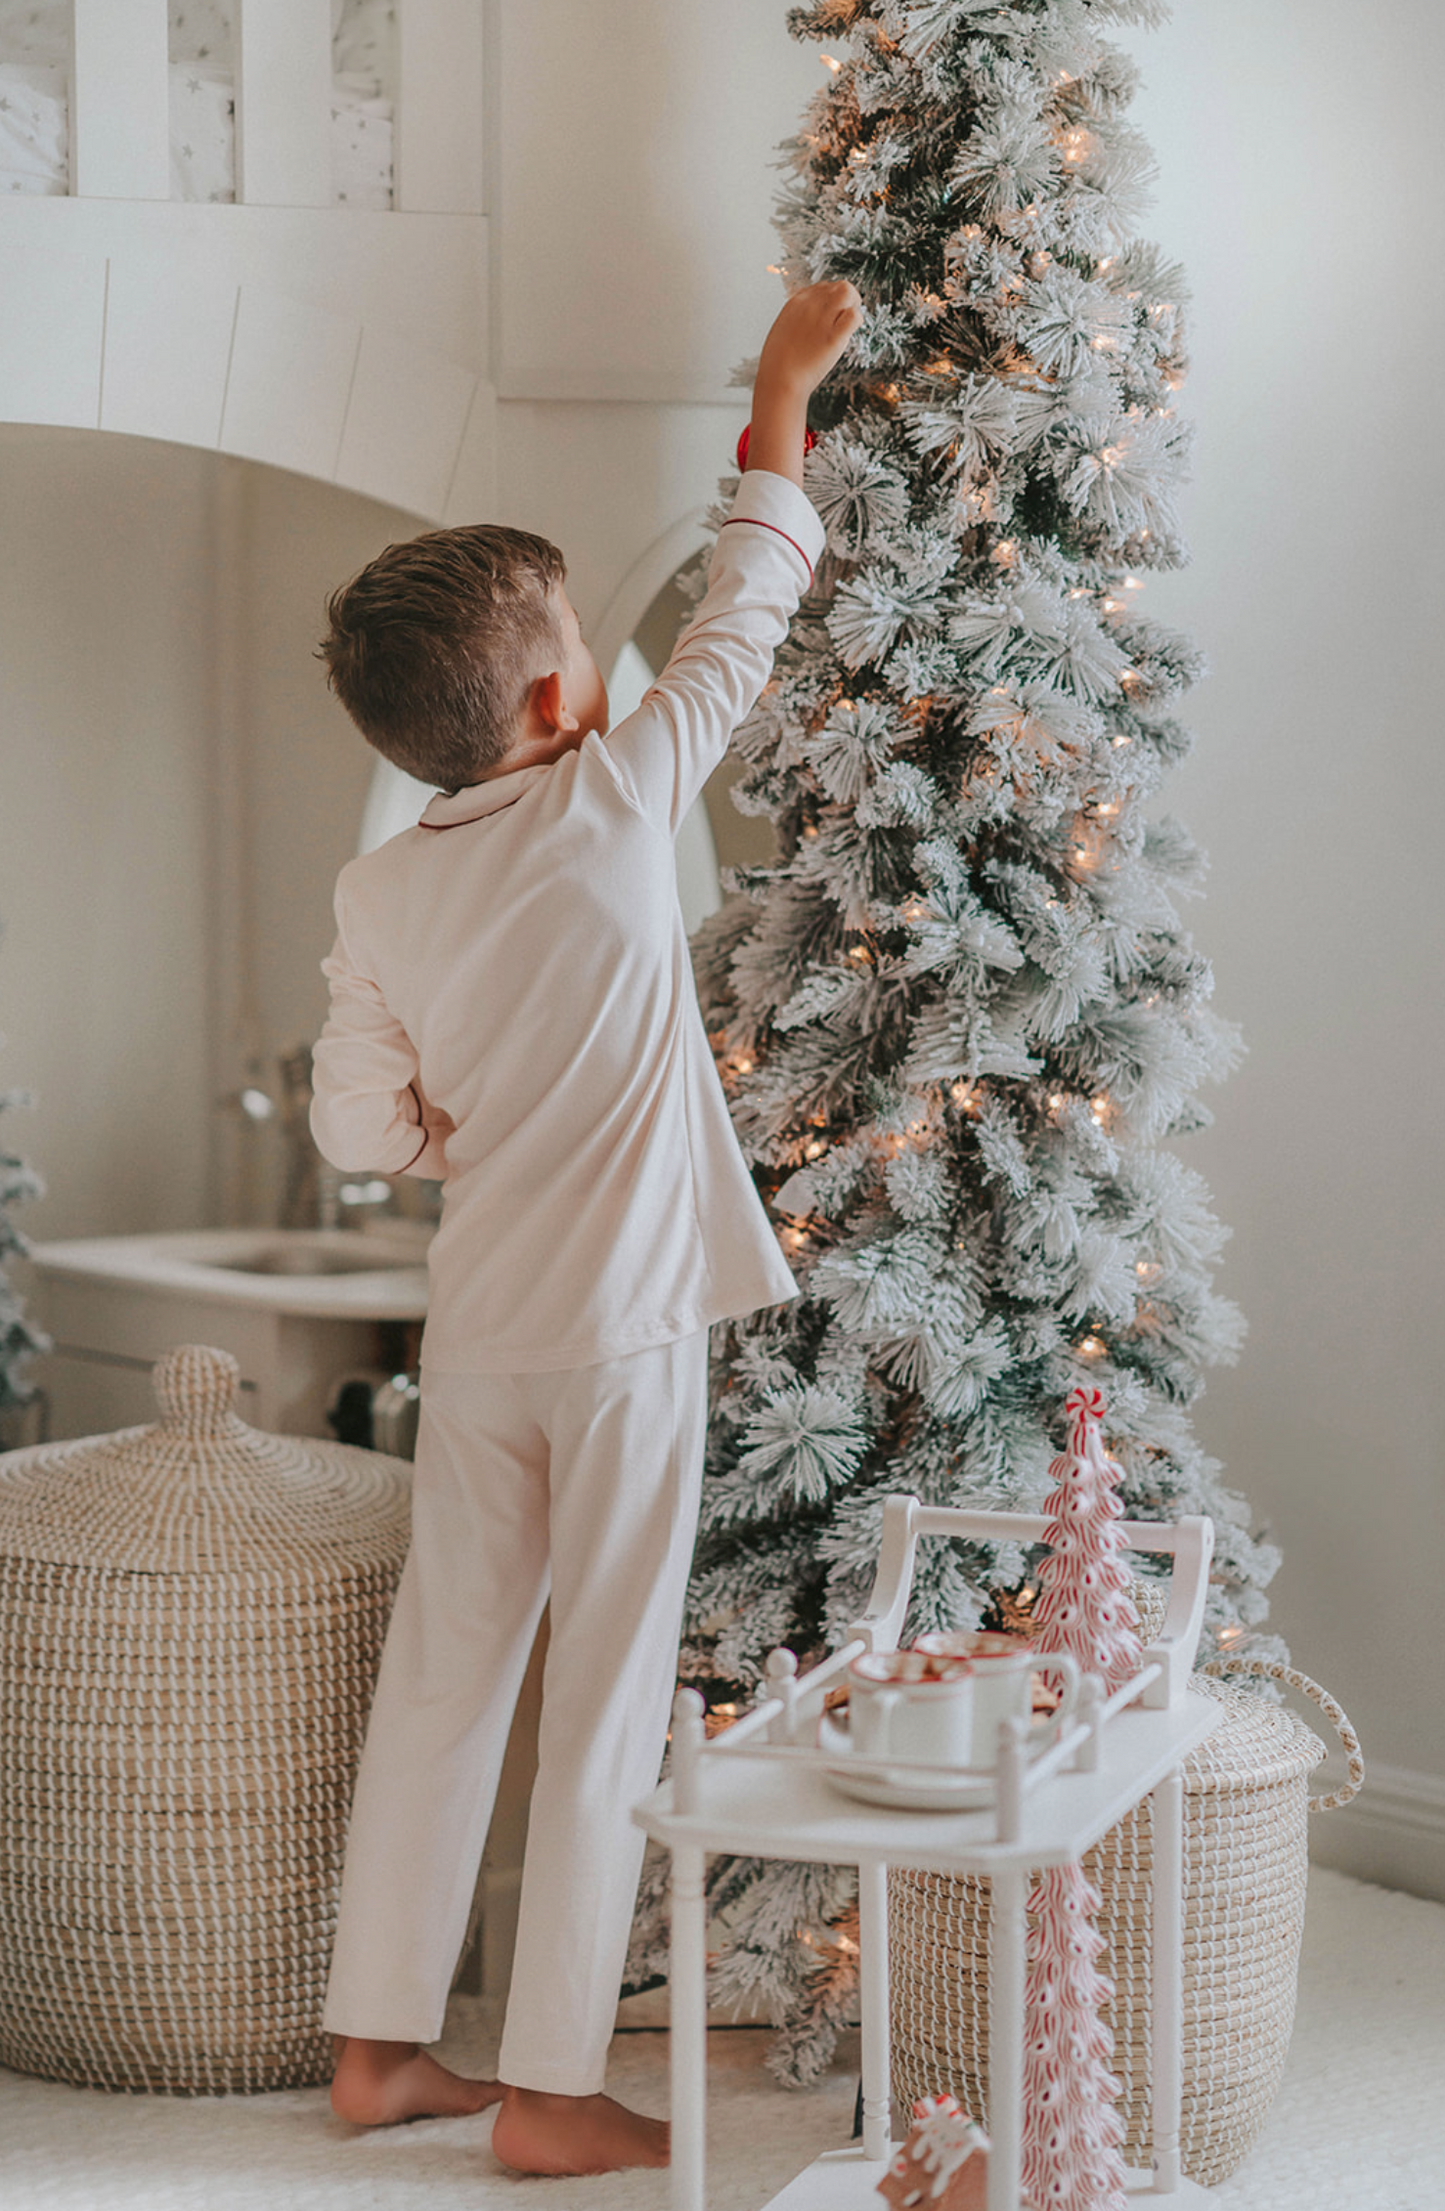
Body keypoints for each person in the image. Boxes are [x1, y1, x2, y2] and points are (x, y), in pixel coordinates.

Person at [308, 277, 862, 2178]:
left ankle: (379, 2050)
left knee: (446, 1688)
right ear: (565, 702)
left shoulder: (381, 890)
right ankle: (547, 2088)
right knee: (603, 1706)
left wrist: (442, 1114)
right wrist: (784, 391)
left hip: (478, 1348)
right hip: (622, 1338)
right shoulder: (620, 796)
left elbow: (356, 1120)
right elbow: (750, 608)